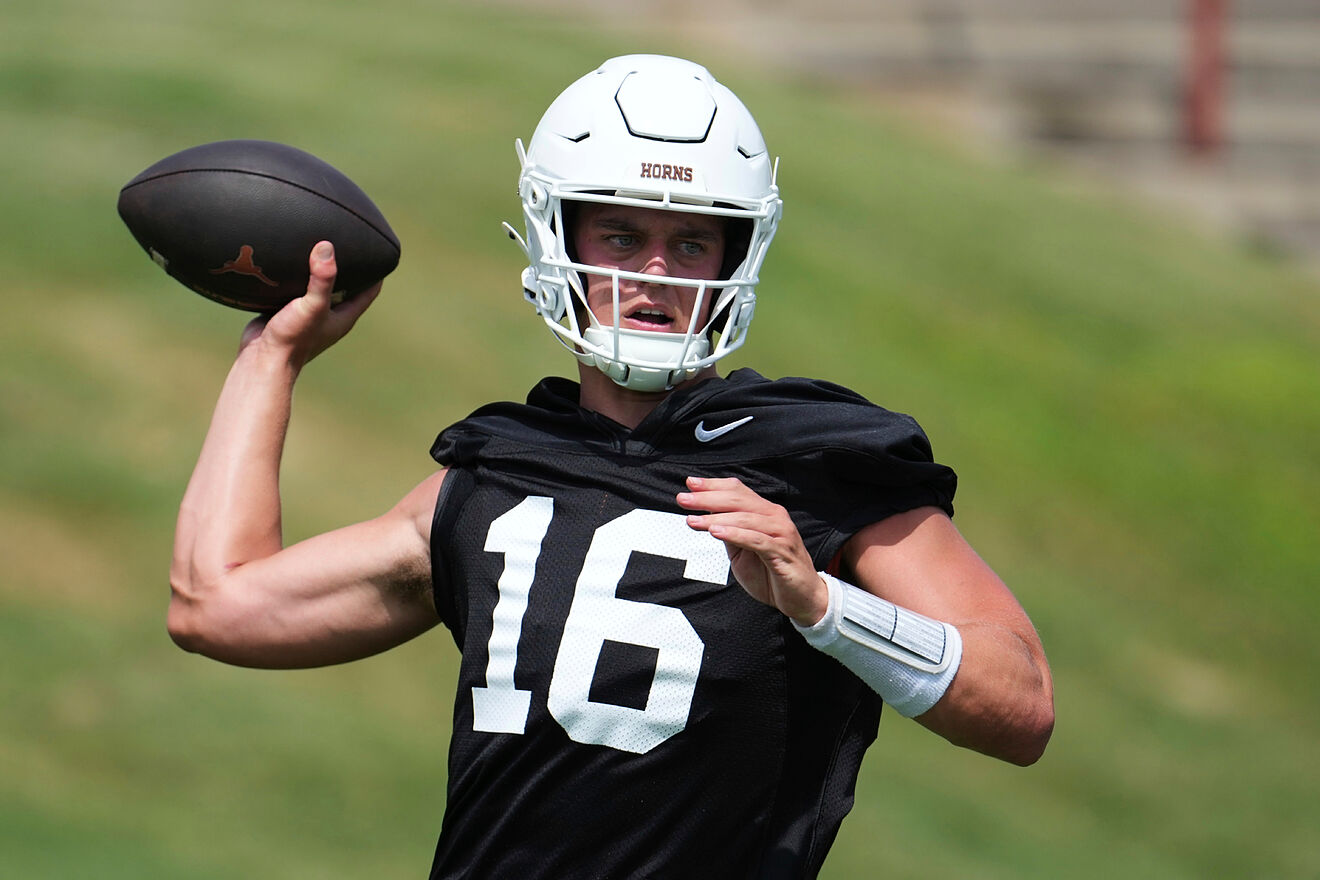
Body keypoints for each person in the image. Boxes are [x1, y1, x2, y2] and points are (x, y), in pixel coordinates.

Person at [168, 54, 1054, 879]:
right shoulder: (496, 475)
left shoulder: (816, 459)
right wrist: (270, 359)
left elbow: (1019, 704)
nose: (656, 275)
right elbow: (215, 604)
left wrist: (823, 604)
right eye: (621, 238)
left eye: (693, 244)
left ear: (738, 255)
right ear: (560, 240)